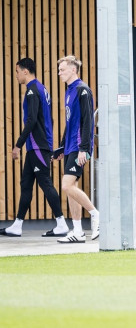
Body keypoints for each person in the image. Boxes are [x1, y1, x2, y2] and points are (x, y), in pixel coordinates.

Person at [0, 58, 69, 237]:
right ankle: (17, 225)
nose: (15, 75)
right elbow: (49, 119)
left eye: (17, 71)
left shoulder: (32, 91)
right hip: (37, 146)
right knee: (26, 185)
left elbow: (31, 120)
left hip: (37, 146)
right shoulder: (42, 88)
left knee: (45, 182)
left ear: (25, 71)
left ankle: (61, 223)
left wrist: (17, 145)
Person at [54, 56, 99, 243]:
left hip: (80, 146)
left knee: (66, 185)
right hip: (71, 146)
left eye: (62, 69)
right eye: (58, 70)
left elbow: (88, 121)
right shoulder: (69, 91)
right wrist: (62, 147)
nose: (59, 73)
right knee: (71, 188)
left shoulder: (82, 90)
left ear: (73, 69)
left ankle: (96, 215)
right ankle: (78, 231)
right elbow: (70, 122)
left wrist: (84, 148)